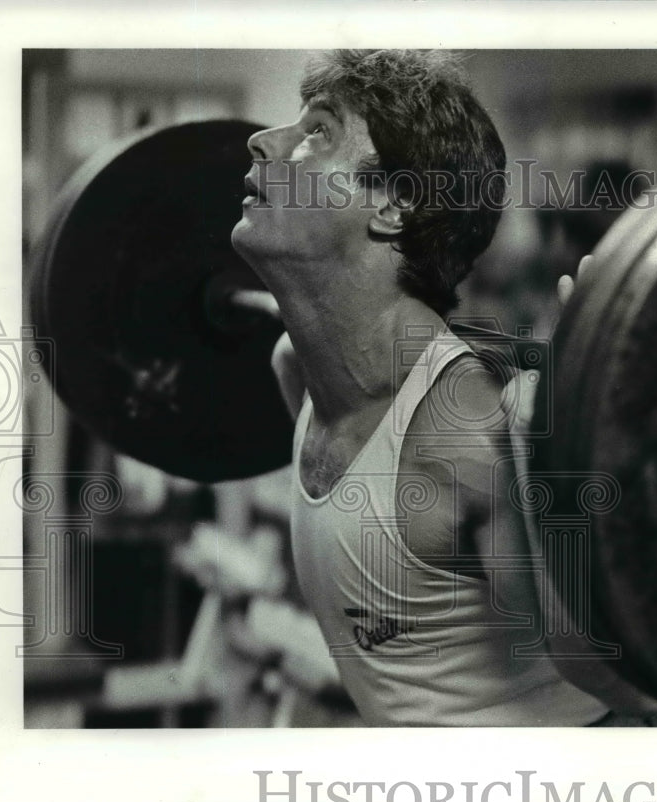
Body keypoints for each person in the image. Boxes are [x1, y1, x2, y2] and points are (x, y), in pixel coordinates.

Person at [231, 49, 609, 726]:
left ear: (396, 203)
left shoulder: (469, 434)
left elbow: (618, 682)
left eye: (318, 130)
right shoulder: (301, 370)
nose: (263, 140)